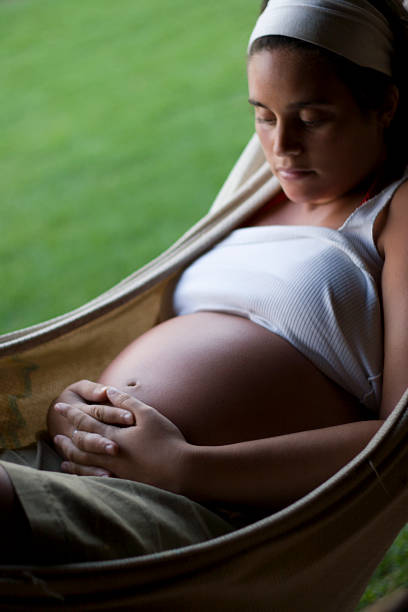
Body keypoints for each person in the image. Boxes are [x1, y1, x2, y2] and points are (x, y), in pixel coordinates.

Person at [2, 0, 408, 565]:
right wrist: (78, 407)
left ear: (385, 105)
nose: (282, 147)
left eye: (312, 118)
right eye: (264, 116)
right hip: (79, 461)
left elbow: (400, 441)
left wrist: (185, 465)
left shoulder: (396, 212)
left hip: (194, 507)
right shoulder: (259, 195)